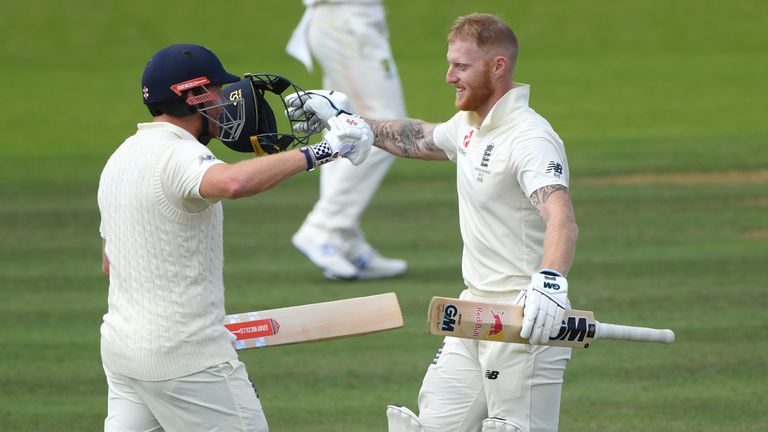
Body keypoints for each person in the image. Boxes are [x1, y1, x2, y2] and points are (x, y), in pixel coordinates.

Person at [291, 13, 579, 432]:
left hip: (525, 320)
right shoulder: (469, 127)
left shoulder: (529, 138)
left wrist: (550, 282)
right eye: (450, 64)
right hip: (472, 314)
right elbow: (419, 138)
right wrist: (347, 120)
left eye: (461, 67)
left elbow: (561, 216)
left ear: (497, 66)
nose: (449, 77)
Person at [97, 43, 372, 431]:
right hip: (188, 359)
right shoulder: (177, 155)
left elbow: (112, 263)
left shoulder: (120, 159)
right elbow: (233, 182)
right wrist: (326, 150)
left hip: (124, 353)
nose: (227, 102)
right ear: (192, 97)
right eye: (218, 92)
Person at [285, 0, 409, 280]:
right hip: (346, 23)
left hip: (348, 22)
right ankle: (324, 227)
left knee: (343, 120)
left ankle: (343, 237)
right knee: (385, 129)